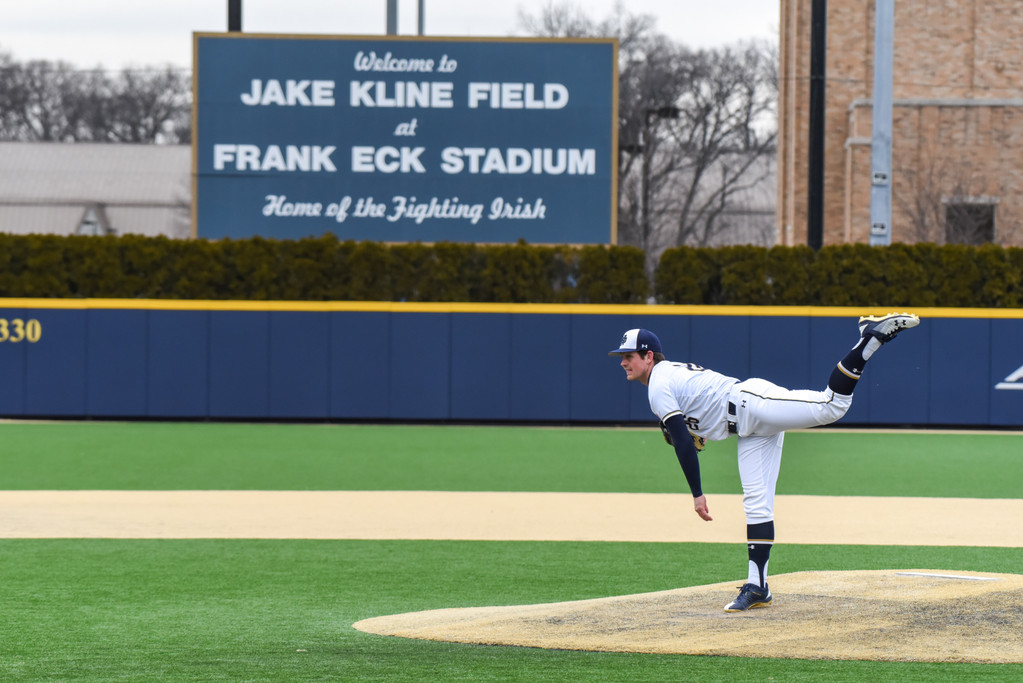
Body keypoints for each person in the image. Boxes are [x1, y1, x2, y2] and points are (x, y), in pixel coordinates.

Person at [608, 312, 920, 612]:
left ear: (649, 357)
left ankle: (870, 339)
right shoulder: (667, 377)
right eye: (622, 356)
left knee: (831, 405)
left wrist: (697, 493)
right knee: (757, 504)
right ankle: (758, 586)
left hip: (750, 404)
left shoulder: (658, 386)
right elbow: (687, 427)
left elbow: (681, 443)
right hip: (747, 427)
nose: (623, 362)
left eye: (630, 355)